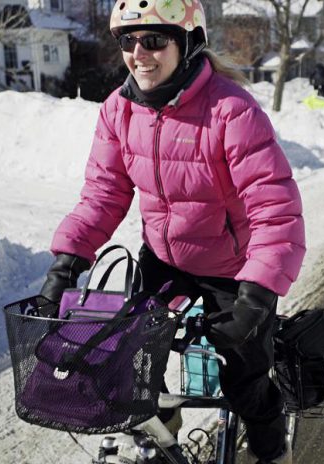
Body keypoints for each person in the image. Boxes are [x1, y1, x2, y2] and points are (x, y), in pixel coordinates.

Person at [39, 2, 305, 463]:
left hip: (233, 270)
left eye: (154, 40)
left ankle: (270, 444)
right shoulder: (118, 111)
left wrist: (257, 296)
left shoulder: (231, 110)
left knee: (243, 377)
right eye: (128, 40)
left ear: (187, 43)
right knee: (131, 364)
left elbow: (275, 209)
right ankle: (163, 430)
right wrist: (66, 264)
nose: (139, 53)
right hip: (164, 261)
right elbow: (102, 195)